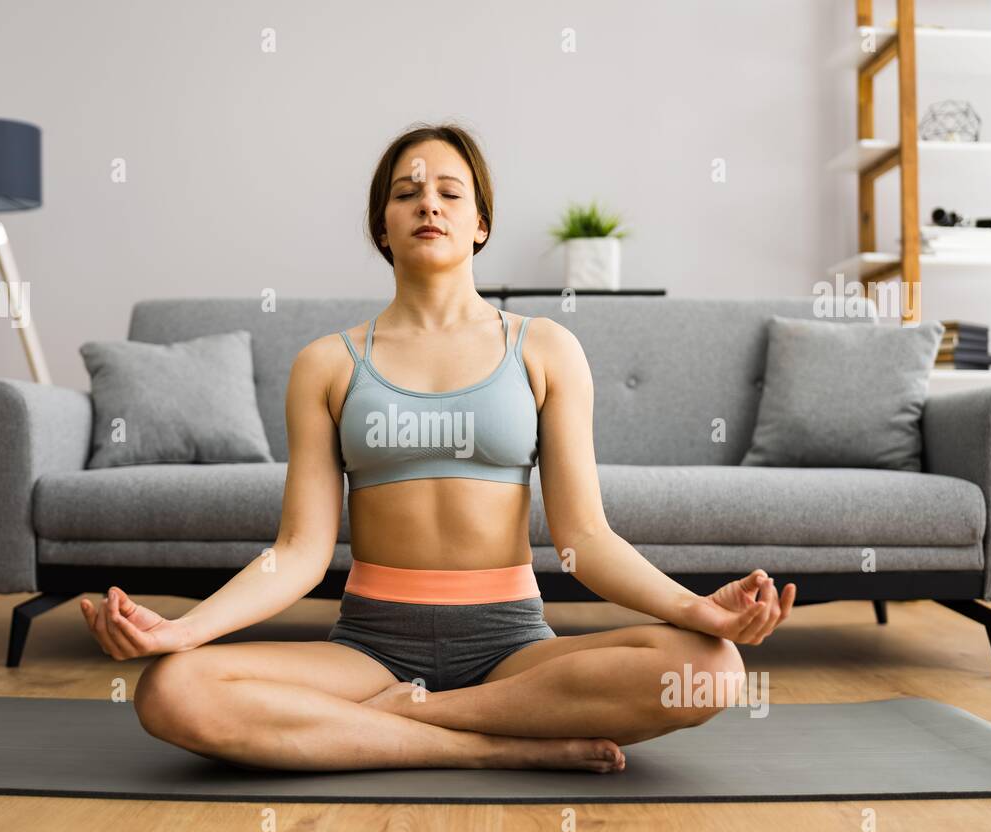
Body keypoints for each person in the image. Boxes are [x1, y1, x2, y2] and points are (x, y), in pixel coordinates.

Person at [80, 122, 796, 774]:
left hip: (513, 648)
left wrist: (696, 610)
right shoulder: (326, 364)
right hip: (367, 648)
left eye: (450, 192)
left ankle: (399, 723)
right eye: (407, 192)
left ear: (480, 223)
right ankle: (489, 748)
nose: (429, 204)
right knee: (172, 690)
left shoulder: (544, 349)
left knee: (713, 669)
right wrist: (184, 630)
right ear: (381, 227)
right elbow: (299, 549)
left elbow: (585, 536)